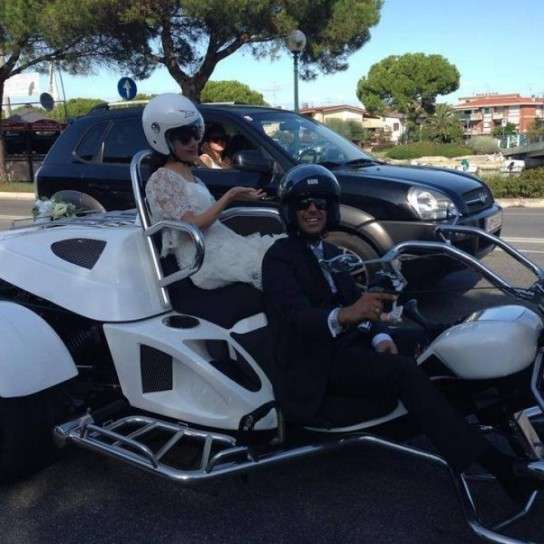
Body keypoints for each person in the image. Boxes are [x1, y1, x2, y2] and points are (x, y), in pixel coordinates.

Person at [261, 163, 542, 504]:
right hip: (315, 360)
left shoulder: (333, 252)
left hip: (351, 343)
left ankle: (509, 414)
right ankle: (500, 468)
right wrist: (347, 315)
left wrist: (380, 335)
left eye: (320, 203)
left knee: (440, 339)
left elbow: (362, 305)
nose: (313, 210)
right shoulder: (279, 257)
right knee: (405, 371)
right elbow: (295, 319)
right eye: (304, 204)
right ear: (290, 210)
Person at [142, 93, 281, 290]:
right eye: (184, 138)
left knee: (286, 254)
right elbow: (192, 229)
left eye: (196, 134)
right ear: (163, 141)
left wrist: (236, 197)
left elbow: (209, 217)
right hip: (202, 260)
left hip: (224, 245)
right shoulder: (161, 179)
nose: (193, 143)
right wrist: (230, 196)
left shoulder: (192, 175)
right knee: (278, 266)